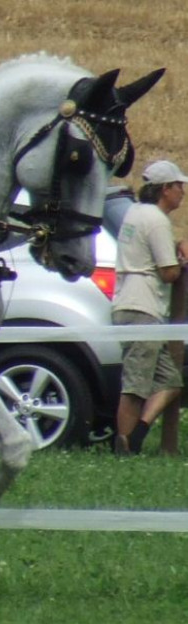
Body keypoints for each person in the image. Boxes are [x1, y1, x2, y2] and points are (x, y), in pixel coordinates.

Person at [112, 160, 188, 455]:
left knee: (169, 380)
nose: (182, 193)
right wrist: (182, 260)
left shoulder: (134, 212)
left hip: (127, 303)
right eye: (178, 187)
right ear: (165, 189)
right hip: (143, 306)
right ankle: (124, 446)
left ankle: (137, 434)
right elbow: (169, 273)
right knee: (135, 385)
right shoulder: (156, 220)